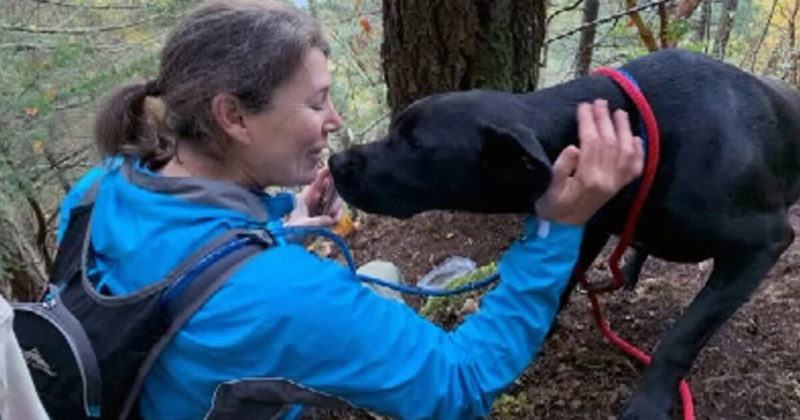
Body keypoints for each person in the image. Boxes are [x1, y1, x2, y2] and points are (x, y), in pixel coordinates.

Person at [58, 0, 644, 418]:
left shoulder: (98, 189)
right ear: (233, 117)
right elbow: (456, 386)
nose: (335, 120)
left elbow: (177, 290)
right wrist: (554, 230)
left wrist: (275, 230)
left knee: (381, 275)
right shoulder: (284, 296)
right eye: (316, 102)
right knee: (381, 279)